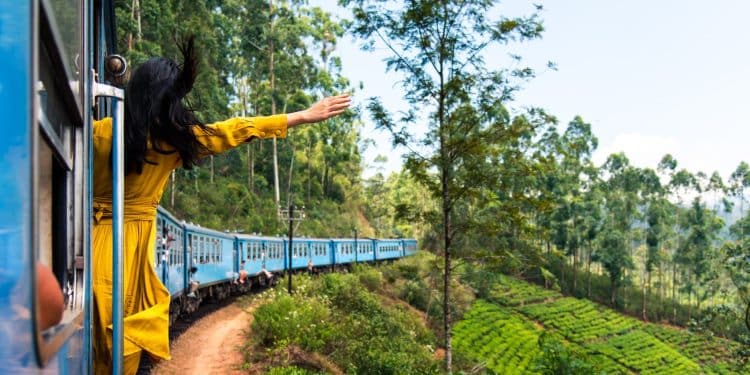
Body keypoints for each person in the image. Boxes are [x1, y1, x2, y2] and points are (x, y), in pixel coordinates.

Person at [91, 36, 350, 375]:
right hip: (130, 251)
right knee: (125, 336)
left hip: (88, 239)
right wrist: (301, 116)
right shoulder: (172, 143)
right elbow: (237, 129)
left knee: (95, 335)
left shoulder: (97, 134)